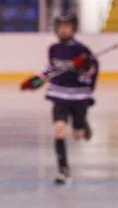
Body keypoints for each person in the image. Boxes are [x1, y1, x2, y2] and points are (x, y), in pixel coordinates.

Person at [20, 13, 98, 184]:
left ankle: (82, 124)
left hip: (79, 97)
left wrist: (83, 66)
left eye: (67, 27)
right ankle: (63, 170)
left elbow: (91, 71)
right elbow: (50, 68)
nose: (63, 30)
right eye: (60, 27)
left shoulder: (82, 50)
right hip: (59, 95)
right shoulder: (53, 49)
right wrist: (35, 80)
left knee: (78, 135)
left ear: (73, 29)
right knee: (59, 130)